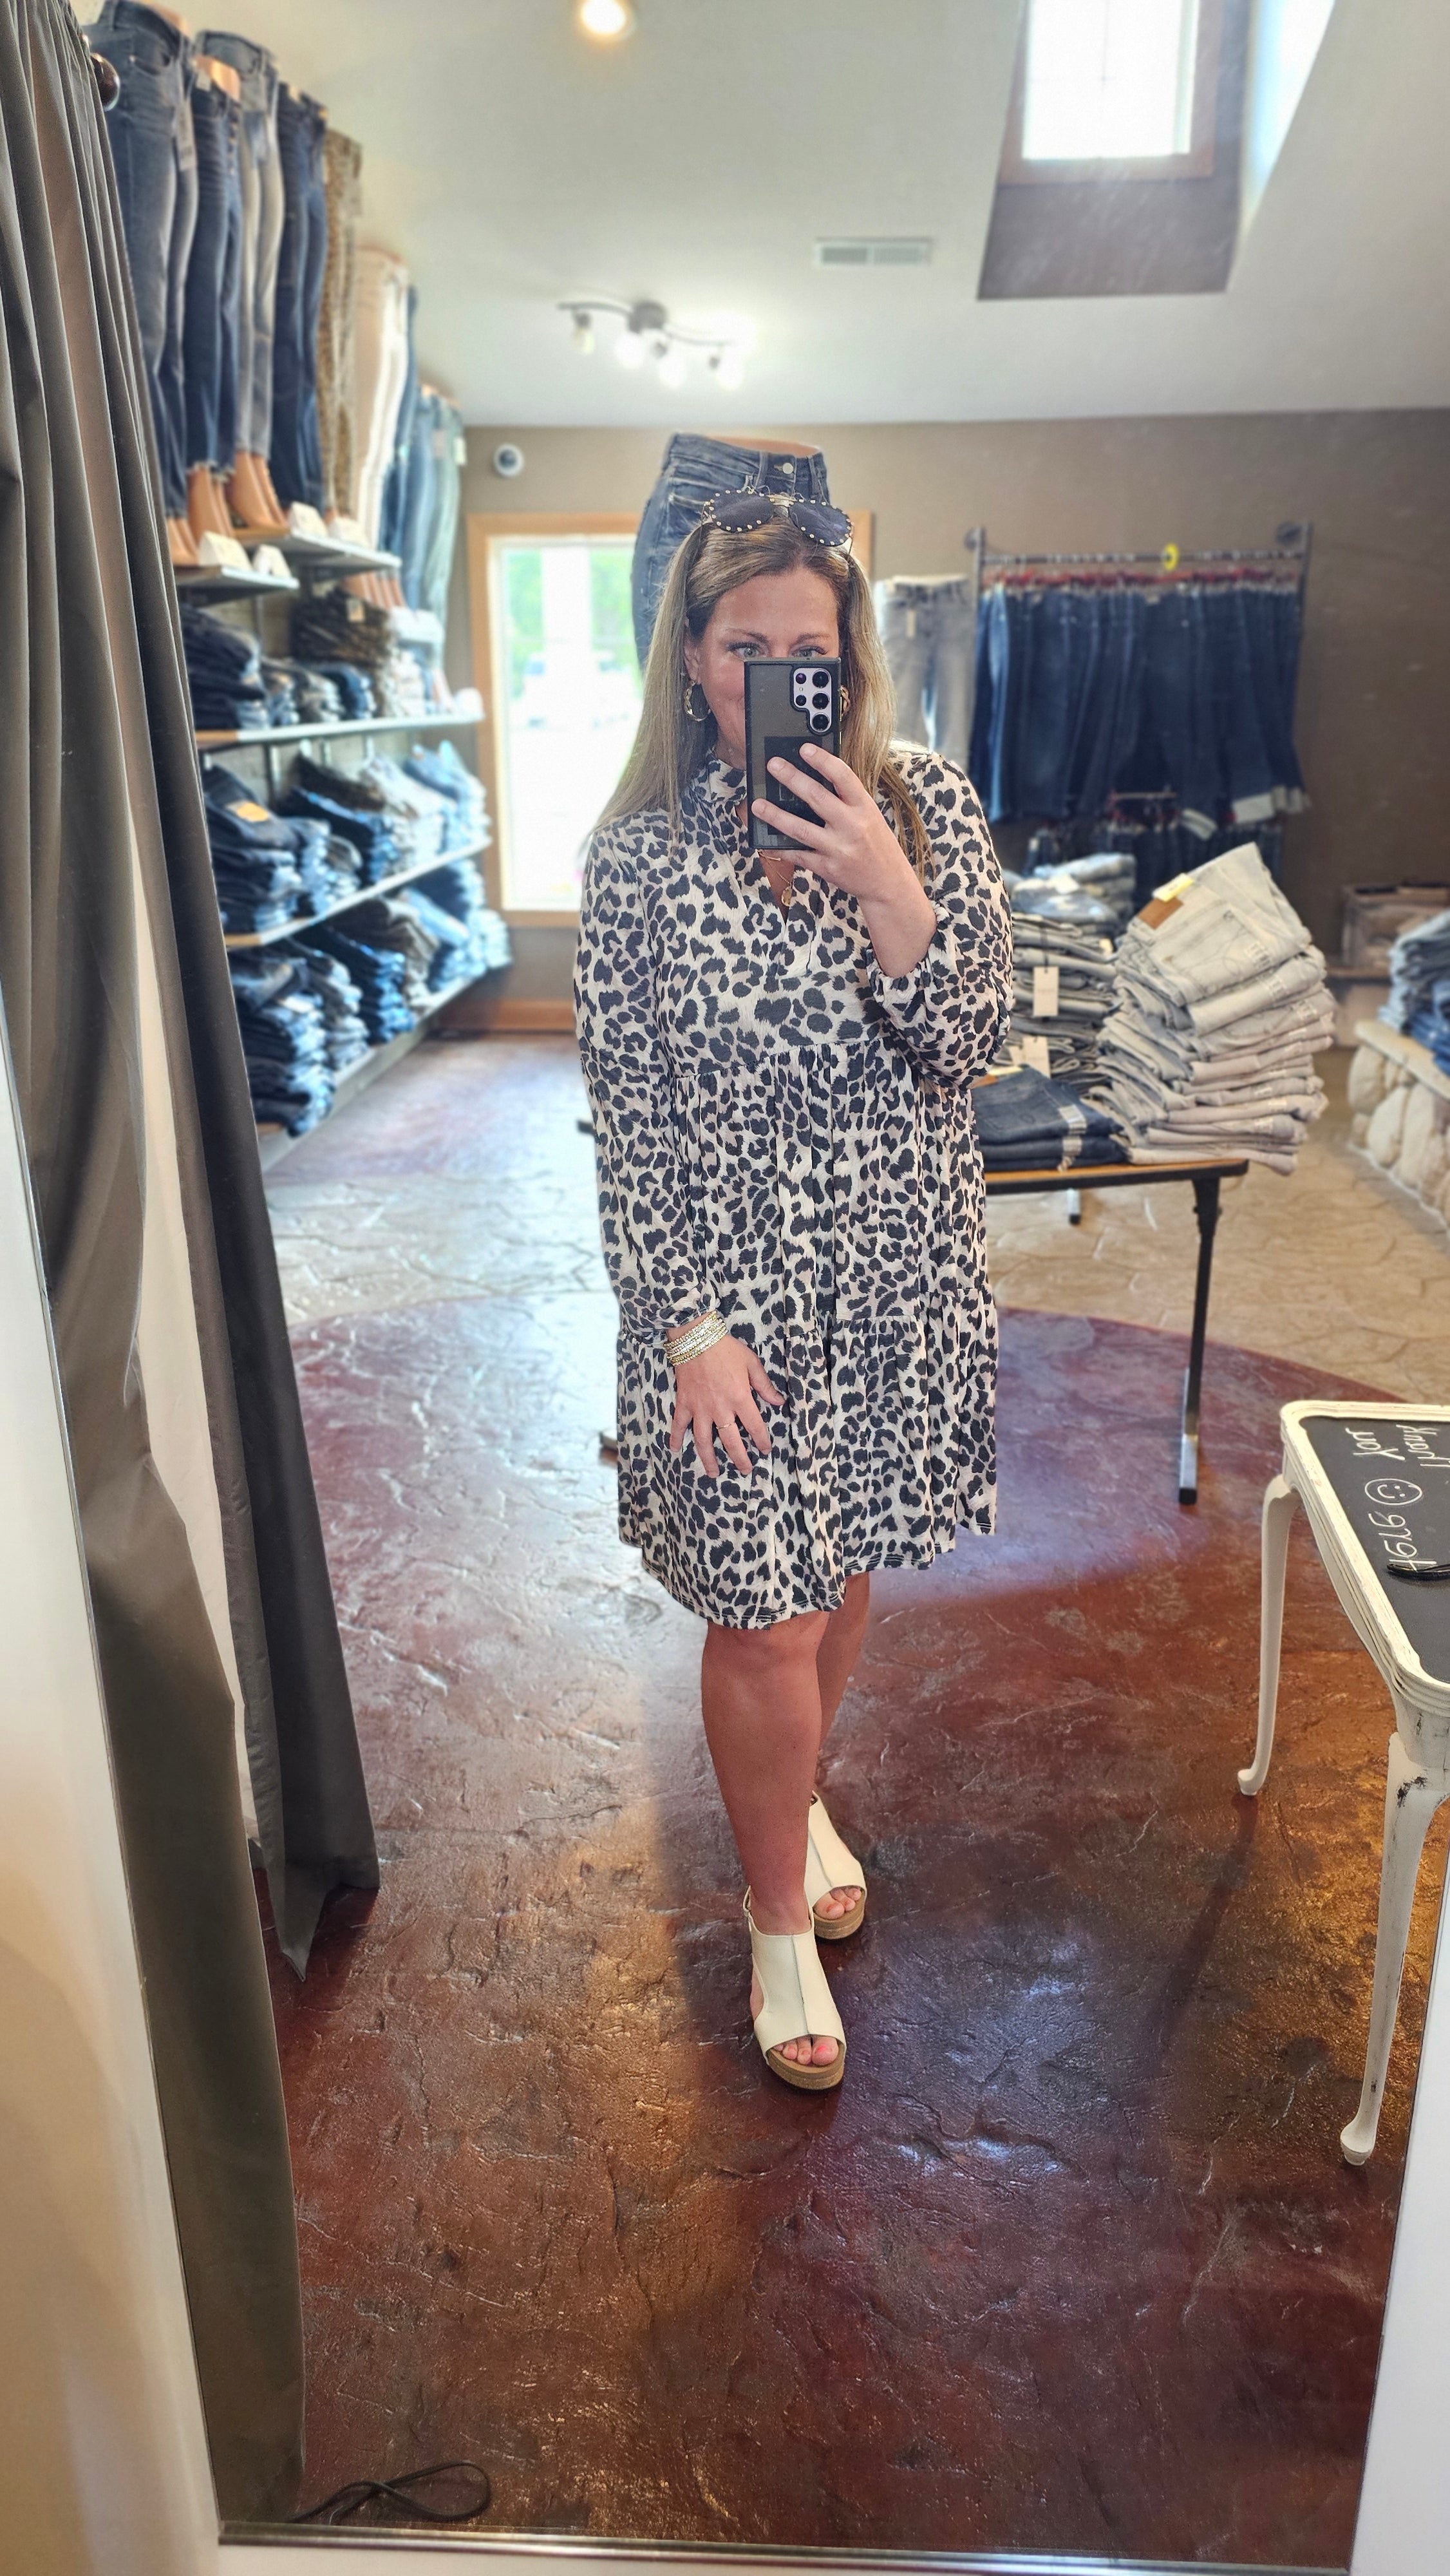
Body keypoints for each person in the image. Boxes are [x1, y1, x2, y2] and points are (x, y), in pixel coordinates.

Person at [574, 495, 1012, 2092]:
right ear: (693, 659)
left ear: (847, 661)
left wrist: (888, 881)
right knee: (762, 1613)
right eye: (742, 643)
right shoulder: (633, 861)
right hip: (729, 1304)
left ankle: (801, 1795)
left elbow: (973, 1041)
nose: (773, 670)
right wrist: (684, 1324)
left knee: (837, 1572)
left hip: (897, 1277)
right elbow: (628, 1115)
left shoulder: (928, 809)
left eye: (805, 648)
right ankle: (773, 1927)